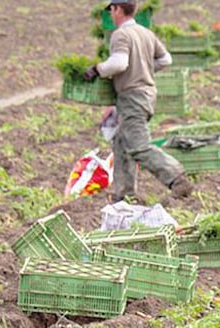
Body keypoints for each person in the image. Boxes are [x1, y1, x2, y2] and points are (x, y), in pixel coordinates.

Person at [83, 0, 193, 204]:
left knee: (138, 146)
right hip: (145, 94)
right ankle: (123, 195)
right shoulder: (145, 33)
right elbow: (166, 59)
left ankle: (177, 179)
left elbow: (119, 63)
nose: (111, 14)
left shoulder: (121, 35)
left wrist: (97, 69)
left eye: (112, 10)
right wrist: (143, 68)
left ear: (117, 9)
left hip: (133, 96)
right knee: (121, 142)